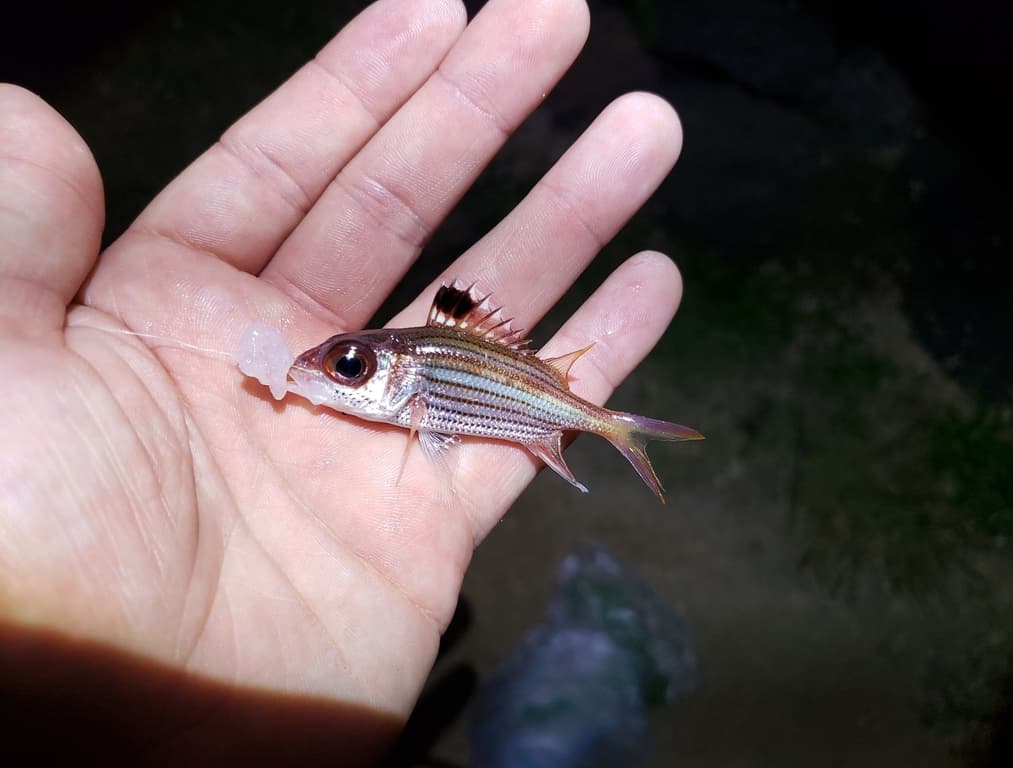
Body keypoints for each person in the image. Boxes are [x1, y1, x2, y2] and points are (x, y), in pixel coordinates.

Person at [0, 0, 684, 762]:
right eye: (344, 366)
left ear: (396, 373)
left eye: (350, 367)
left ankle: (619, 433)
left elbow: (441, 410)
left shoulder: (424, 383)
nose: (333, 376)